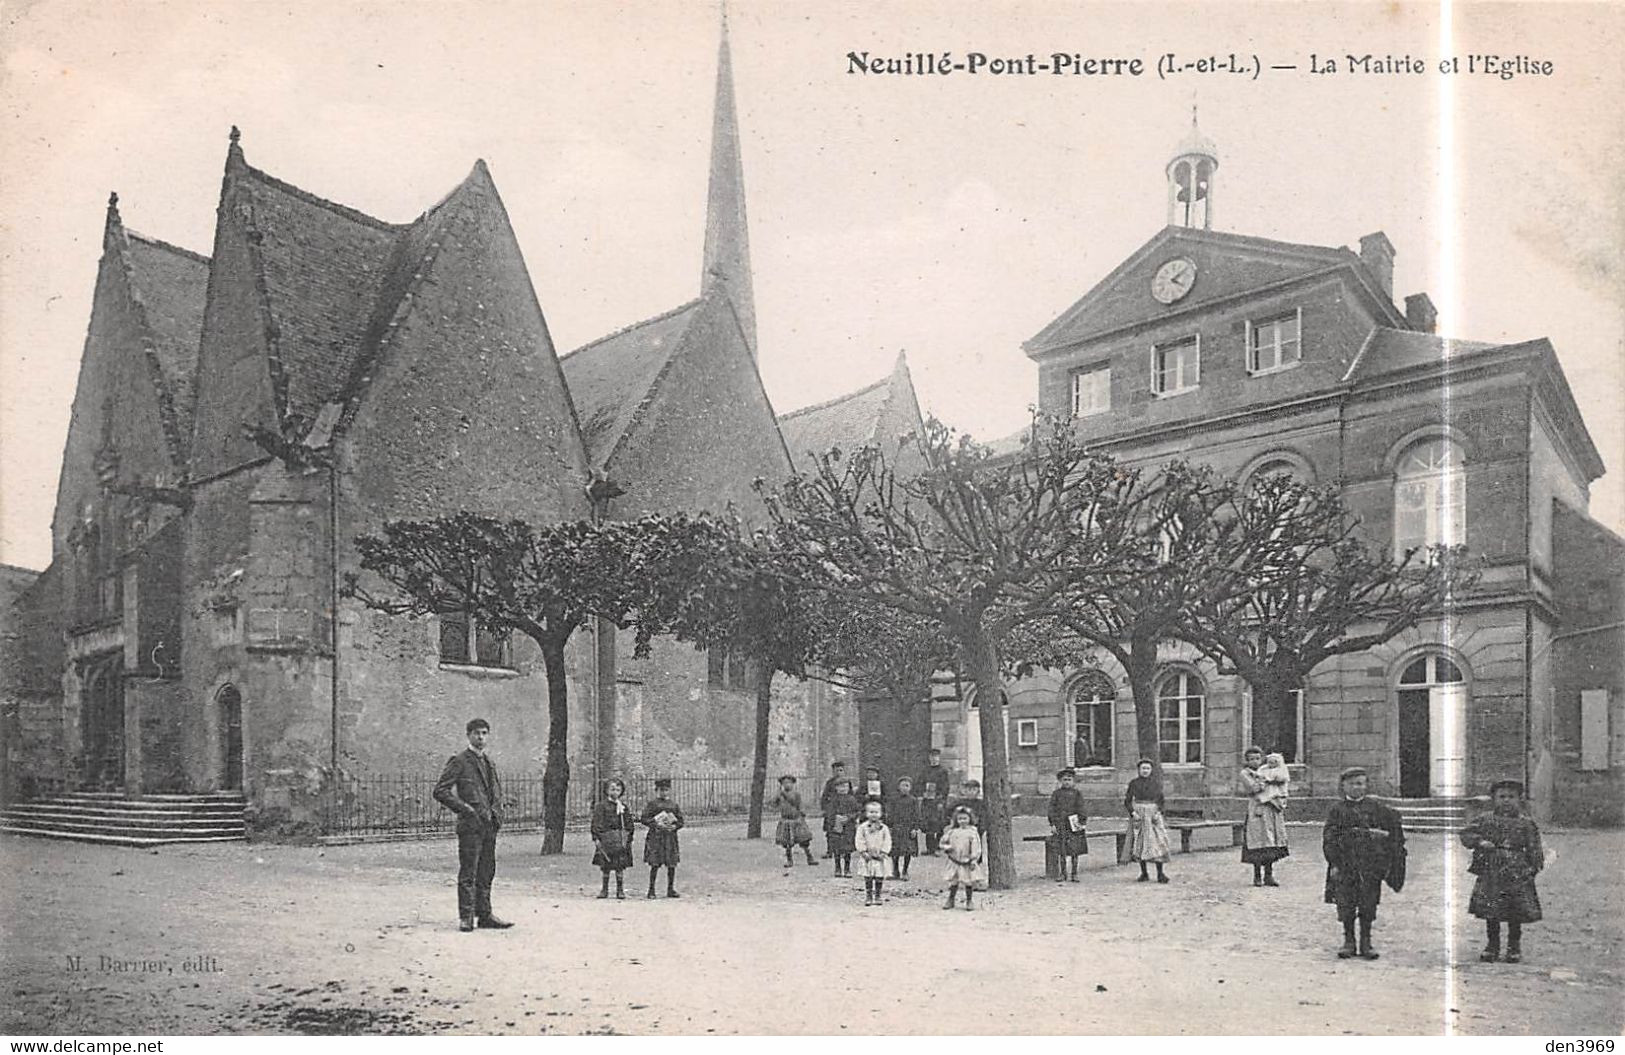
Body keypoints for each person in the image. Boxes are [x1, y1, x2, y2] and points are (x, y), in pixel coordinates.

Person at [432, 718, 513, 931]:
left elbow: (495, 792)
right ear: (468, 735)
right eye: (477, 733)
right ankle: (466, 916)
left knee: (487, 870)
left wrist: (497, 814)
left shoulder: (490, 763)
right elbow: (440, 791)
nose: (481, 737)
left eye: (485, 733)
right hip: (470, 827)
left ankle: (485, 915)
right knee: (469, 871)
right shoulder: (459, 761)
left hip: (489, 826)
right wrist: (465, 809)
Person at [1322, 766, 1406, 960]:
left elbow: (1393, 832)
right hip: (1345, 864)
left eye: (1361, 783)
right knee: (1346, 903)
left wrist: (1386, 840)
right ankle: (1349, 941)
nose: (1357, 788)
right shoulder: (1337, 810)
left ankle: (1366, 941)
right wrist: (1334, 862)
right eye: (1352, 784)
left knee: (1368, 903)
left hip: (1370, 865)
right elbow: (1330, 838)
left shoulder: (1377, 808)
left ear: (1367, 785)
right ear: (1343, 786)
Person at [1460, 779, 1544, 964]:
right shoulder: (1485, 819)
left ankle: (1514, 947)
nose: (1506, 800)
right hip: (1492, 872)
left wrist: (1532, 869)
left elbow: (1535, 849)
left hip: (1517, 873)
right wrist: (1480, 842)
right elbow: (1466, 834)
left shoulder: (1526, 824)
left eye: (1511, 797)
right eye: (1502, 797)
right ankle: (1492, 945)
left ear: (1519, 800)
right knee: (1492, 910)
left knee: (1516, 911)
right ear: (1494, 799)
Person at [1238, 746, 1289, 887]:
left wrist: (1268, 779)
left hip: (1272, 810)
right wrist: (1267, 781)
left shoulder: (1266, 770)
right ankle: (1257, 876)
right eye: (1251, 759)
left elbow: (1282, 781)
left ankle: (1269, 874)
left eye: (1257, 758)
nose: (1255, 762)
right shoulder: (1245, 773)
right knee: (1258, 844)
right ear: (1247, 761)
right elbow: (1254, 788)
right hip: (1258, 810)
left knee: (1271, 843)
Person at [1123, 759, 1171, 883]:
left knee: (1157, 842)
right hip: (1139, 814)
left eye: (1147, 768)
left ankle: (1160, 873)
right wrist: (1133, 813)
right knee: (1141, 843)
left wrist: (1158, 812)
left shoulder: (1156, 783)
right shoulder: (1134, 783)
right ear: (1139, 770)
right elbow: (1127, 801)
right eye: (1143, 768)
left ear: (1151, 770)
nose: (1145, 771)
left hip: (1153, 815)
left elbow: (1161, 800)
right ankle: (1144, 873)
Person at [590, 778, 636, 900]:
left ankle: (620, 890)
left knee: (619, 866)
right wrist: (597, 838)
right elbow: (596, 823)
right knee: (606, 865)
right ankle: (604, 889)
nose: (615, 792)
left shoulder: (623, 807)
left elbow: (629, 824)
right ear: (606, 790)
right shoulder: (601, 806)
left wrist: (628, 837)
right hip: (607, 839)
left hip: (620, 840)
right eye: (612, 789)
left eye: (618, 790)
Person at [640, 777, 686, 899]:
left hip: (670, 838)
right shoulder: (652, 804)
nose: (663, 792)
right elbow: (644, 819)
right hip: (656, 837)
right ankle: (651, 889)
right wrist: (655, 823)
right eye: (661, 790)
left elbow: (680, 821)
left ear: (669, 790)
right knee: (655, 863)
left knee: (671, 864)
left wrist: (675, 827)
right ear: (656, 790)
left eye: (666, 790)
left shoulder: (673, 805)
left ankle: (670, 889)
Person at [940, 805, 986, 911]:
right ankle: (951, 899)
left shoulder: (972, 832)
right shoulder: (952, 832)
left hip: (967, 861)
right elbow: (942, 842)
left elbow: (976, 847)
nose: (962, 821)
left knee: (968, 881)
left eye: (965, 818)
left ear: (970, 819)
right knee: (954, 881)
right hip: (954, 860)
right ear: (956, 820)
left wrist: (974, 859)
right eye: (960, 819)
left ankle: (969, 900)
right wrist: (947, 847)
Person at [1048, 767, 1089, 882]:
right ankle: (1063, 873)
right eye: (1064, 780)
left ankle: (1074, 873)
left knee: (1075, 849)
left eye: (1069, 779)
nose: (1067, 782)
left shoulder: (1077, 794)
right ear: (1060, 781)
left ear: (1073, 781)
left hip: (1073, 825)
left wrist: (1082, 822)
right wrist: (1052, 824)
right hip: (1061, 824)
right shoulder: (1056, 794)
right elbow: (1051, 809)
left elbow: (1082, 808)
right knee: (1062, 850)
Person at [767, 774, 817, 867]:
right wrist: (777, 795)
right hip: (786, 820)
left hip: (797, 820)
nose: (787, 785)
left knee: (804, 840)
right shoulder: (780, 795)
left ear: (793, 784)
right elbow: (772, 804)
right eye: (785, 783)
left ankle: (810, 858)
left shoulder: (796, 794)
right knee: (787, 842)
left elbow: (800, 805)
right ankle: (789, 860)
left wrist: (802, 813)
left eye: (789, 783)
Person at [854, 799, 893, 907]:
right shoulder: (862, 828)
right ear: (866, 814)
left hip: (879, 856)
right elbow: (859, 839)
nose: (874, 815)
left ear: (880, 814)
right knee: (868, 876)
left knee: (879, 876)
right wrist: (863, 851)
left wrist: (884, 852)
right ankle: (868, 895)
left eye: (876, 812)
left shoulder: (884, 828)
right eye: (871, 812)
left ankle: (878, 895)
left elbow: (887, 840)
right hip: (868, 857)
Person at [823, 777, 860, 877]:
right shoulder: (833, 800)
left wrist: (849, 817)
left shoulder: (852, 799)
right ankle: (837, 868)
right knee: (837, 849)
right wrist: (833, 822)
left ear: (849, 788)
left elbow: (857, 812)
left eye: (845, 786)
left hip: (848, 828)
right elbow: (829, 813)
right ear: (836, 788)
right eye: (840, 786)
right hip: (836, 827)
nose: (843, 789)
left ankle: (847, 869)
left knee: (847, 849)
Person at [917, 750, 951, 856]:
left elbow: (945, 787)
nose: (934, 759)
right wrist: (922, 794)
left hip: (938, 801)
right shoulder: (925, 771)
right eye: (932, 756)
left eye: (936, 756)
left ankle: (938, 847)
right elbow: (920, 783)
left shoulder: (943, 771)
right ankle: (930, 848)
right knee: (928, 824)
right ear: (929, 758)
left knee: (939, 824)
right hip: (928, 801)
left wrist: (941, 799)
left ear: (939, 758)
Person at [886, 776, 921, 880]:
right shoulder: (893, 799)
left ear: (910, 787)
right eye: (903, 785)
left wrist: (915, 828)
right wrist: (890, 826)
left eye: (907, 786)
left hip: (908, 828)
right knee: (895, 851)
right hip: (897, 827)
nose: (905, 788)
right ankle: (895, 870)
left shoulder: (913, 800)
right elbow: (890, 813)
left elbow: (917, 815)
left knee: (908, 850)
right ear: (898, 787)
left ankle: (905, 871)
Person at [819, 761, 848, 858]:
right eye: (836, 770)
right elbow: (824, 796)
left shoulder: (847, 782)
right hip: (832, 810)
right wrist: (824, 809)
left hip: (844, 809)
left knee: (844, 831)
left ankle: (843, 850)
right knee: (830, 831)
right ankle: (830, 851)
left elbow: (851, 795)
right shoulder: (830, 782)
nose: (838, 772)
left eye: (841, 770)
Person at [945, 778, 987, 843]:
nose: (971, 792)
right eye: (969, 789)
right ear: (965, 791)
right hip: (960, 827)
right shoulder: (959, 802)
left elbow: (982, 816)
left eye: (974, 790)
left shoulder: (980, 803)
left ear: (978, 792)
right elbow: (948, 810)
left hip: (974, 828)